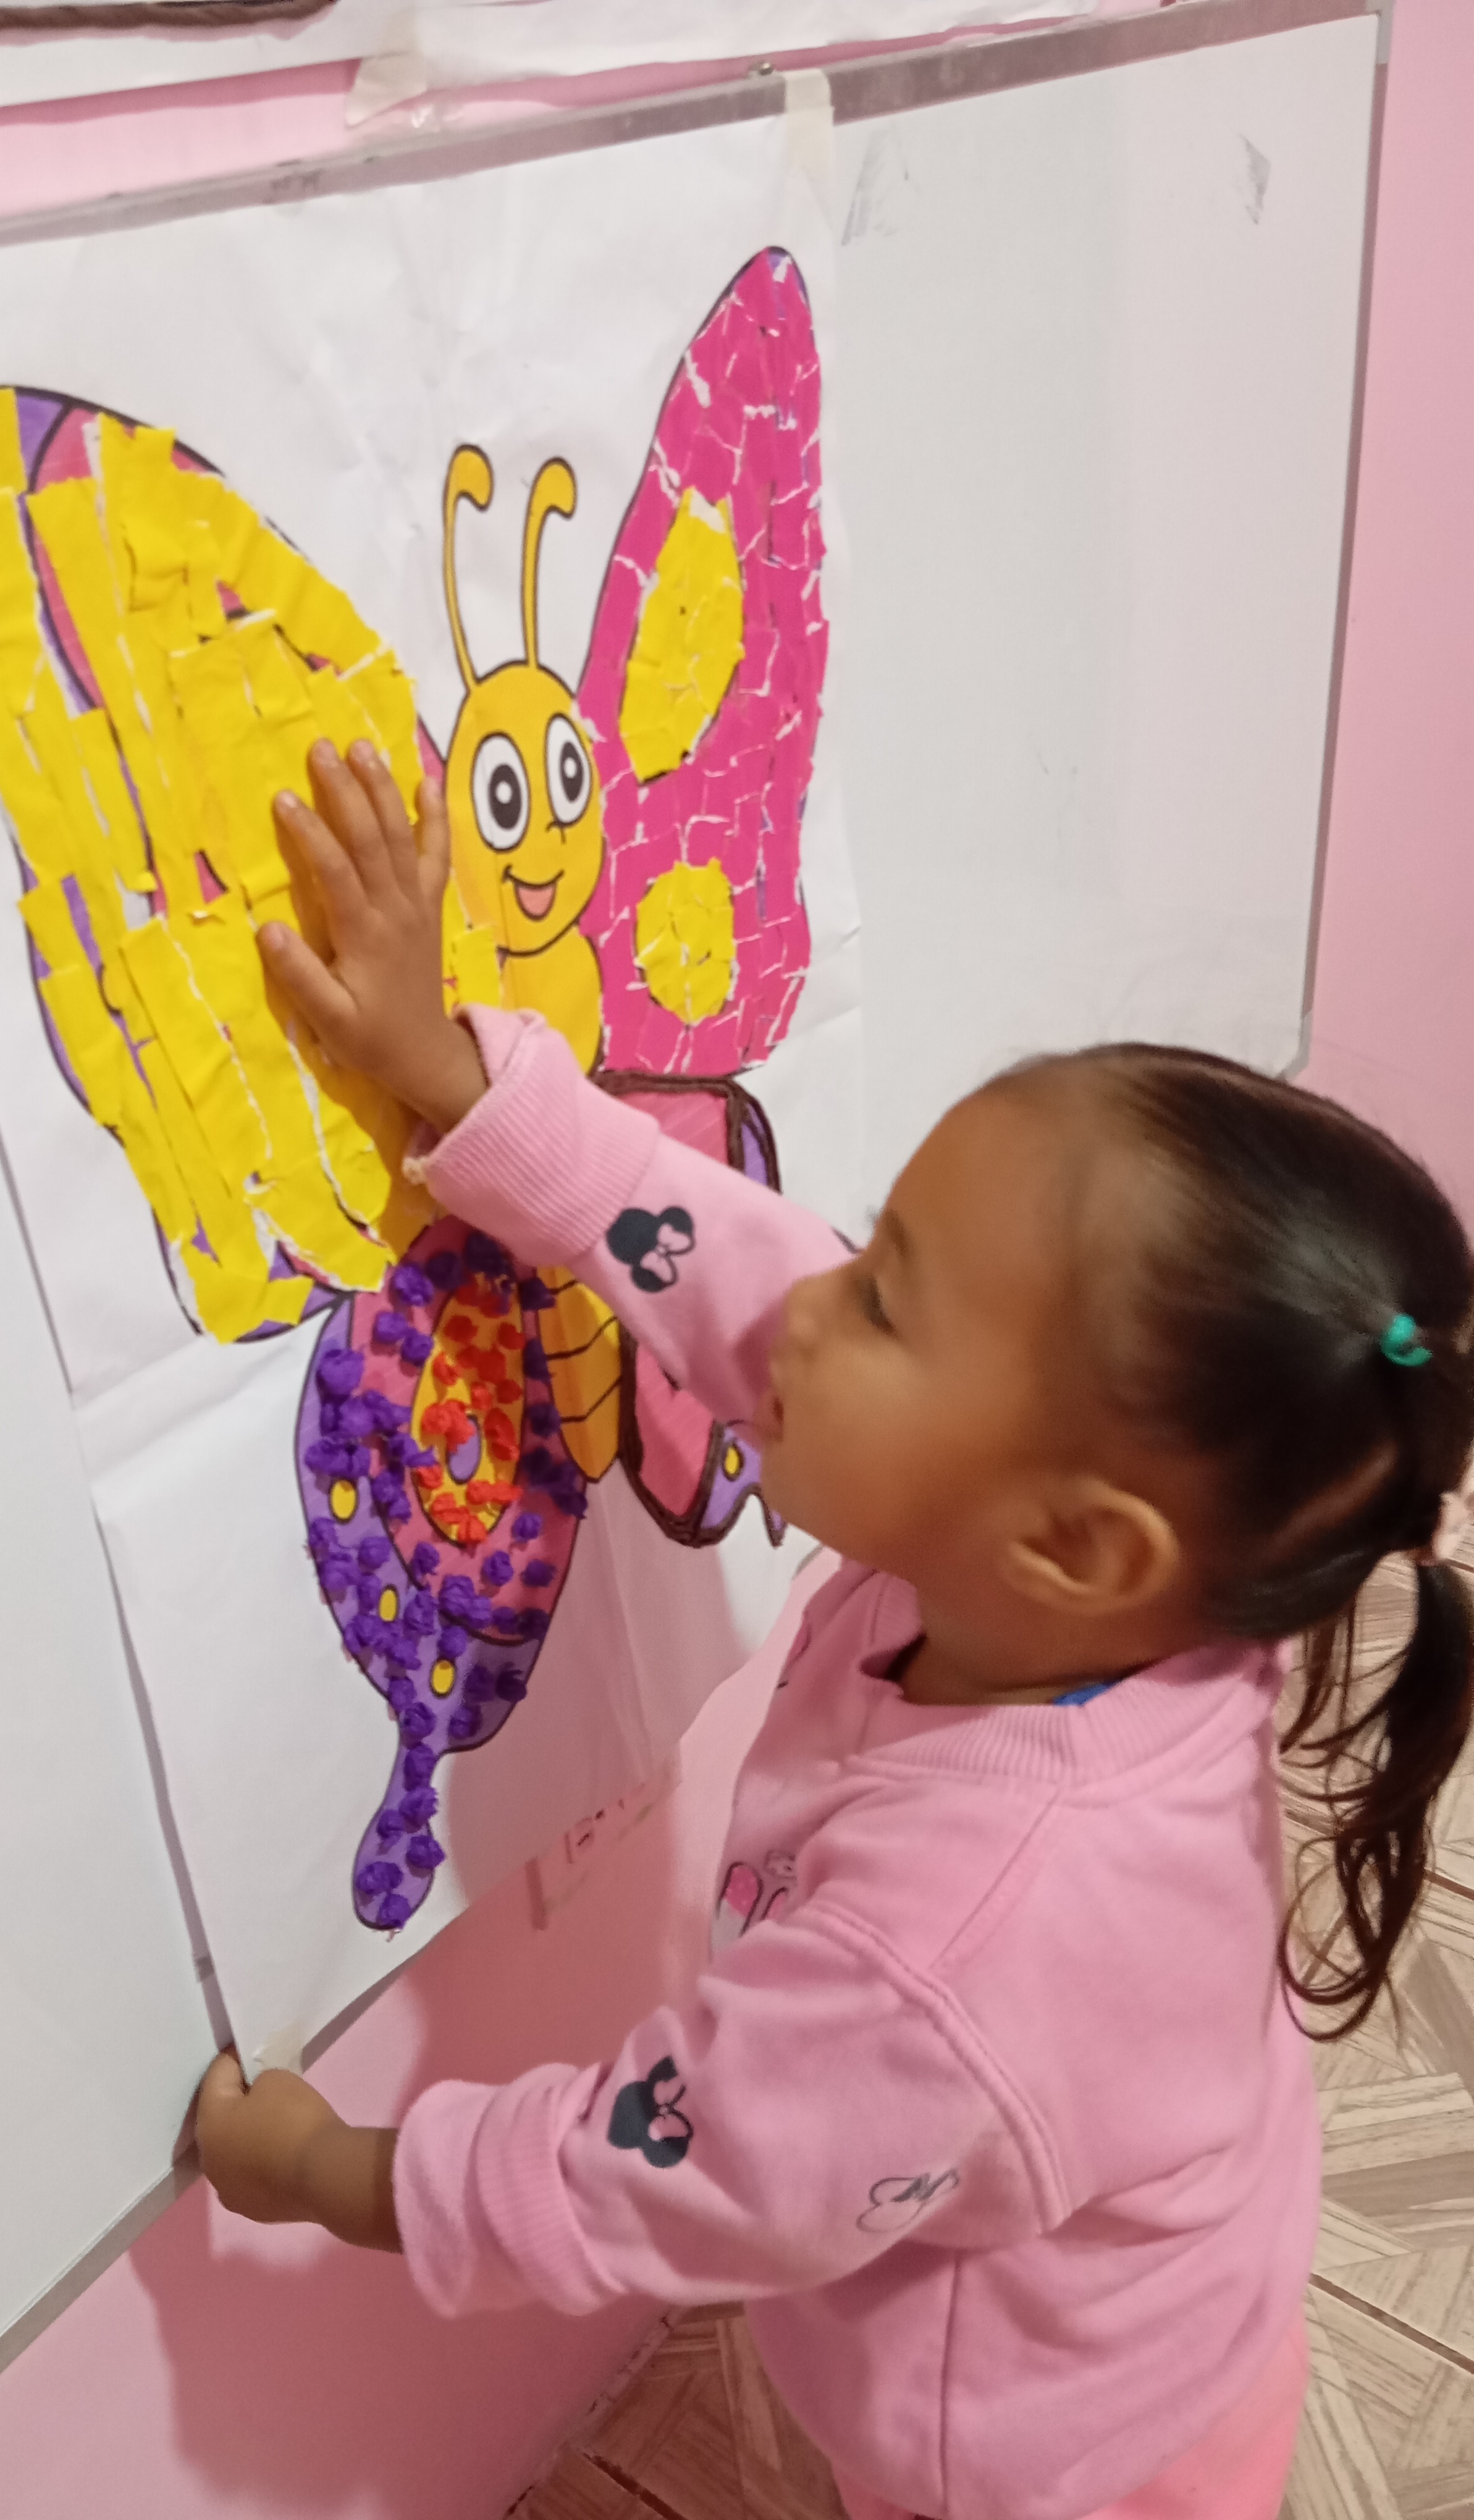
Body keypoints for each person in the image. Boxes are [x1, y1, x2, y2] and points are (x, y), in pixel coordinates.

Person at [193, 741, 1474, 2520]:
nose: (808, 1307)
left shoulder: (951, 1950)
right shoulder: (1117, 1575)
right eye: (873, 1252)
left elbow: (659, 2170)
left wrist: (336, 2172)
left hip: (1057, 2471)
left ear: (1072, 1542)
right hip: (1161, 2314)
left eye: (883, 1303)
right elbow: (728, 1263)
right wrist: (464, 1086)